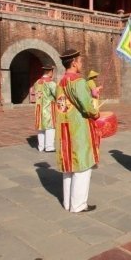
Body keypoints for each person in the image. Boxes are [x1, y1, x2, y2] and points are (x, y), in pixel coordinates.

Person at [54, 49, 100, 213]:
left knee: (68, 168)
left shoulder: (61, 82)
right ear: (73, 62)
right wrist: (96, 112)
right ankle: (78, 204)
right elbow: (87, 106)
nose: (81, 64)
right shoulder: (78, 81)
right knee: (82, 166)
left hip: (64, 128)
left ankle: (68, 202)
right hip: (78, 128)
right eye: (80, 61)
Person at [34, 64, 57, 152]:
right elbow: (57, 94)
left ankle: (41, 146)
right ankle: (49, 146)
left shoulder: (37, 82)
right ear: (50, 71)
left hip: (39, 107)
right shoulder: (51, 83)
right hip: (48, 108)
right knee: (50, 127)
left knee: (41, 128)